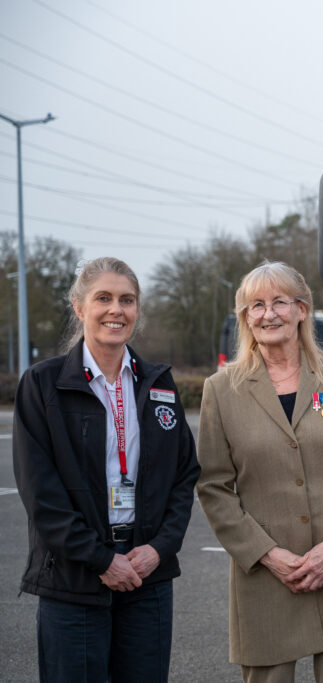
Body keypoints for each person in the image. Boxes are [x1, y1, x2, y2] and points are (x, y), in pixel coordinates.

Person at [196, 261, 323, 683]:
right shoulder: (221, 390)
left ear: (302, 310)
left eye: (280, 302)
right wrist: (268, 555)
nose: (269, 314)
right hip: (268, 574)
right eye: (256, 305)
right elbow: (214, 486)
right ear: (245, 317)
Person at [12, 256, 200, 683]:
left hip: (146, 575)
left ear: (137, 311)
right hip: (74, 578)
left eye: (127, 300)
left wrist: (159, 549)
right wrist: (100, 559)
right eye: (104, 298)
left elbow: (184, 475)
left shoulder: (159, 385)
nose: (116, 310)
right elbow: (42, 494)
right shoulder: (42, 386)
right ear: (79, 308)